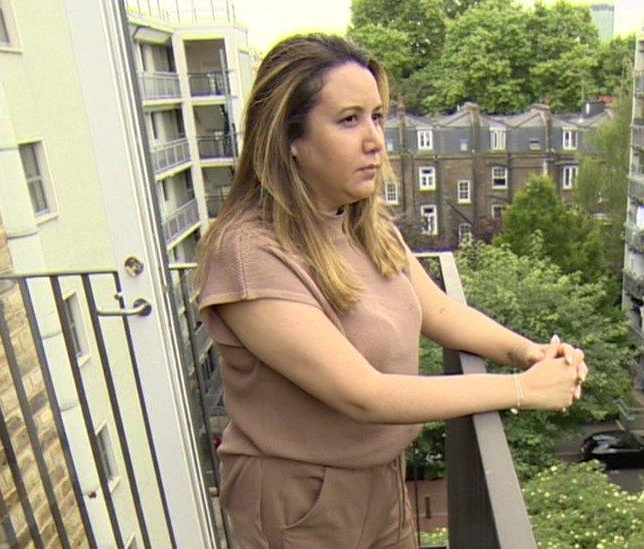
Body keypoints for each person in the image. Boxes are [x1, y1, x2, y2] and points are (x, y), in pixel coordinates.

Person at [195, 33, 588, 548]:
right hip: (299, 496)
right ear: (290, 137)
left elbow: (439, 310)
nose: (375, 140)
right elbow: (363, 393)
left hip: (381, 476)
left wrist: (528, 352)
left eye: (377, 116)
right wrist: (522, 391)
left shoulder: (361, 222)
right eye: (348, 119)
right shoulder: (248, 252)